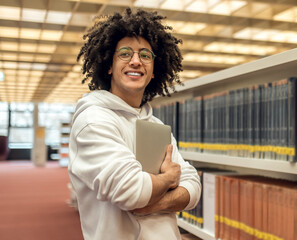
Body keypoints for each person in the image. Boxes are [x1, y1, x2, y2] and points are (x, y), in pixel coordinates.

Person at [68, 8, 201, 240]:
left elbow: (194, 188)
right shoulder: (92, 121)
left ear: (152, 73)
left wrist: (150, 204)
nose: (136, 61)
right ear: (109, 65)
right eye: (125, 53)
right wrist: (169, 179)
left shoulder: (156, 125)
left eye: (145, 55)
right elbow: (131, 191)